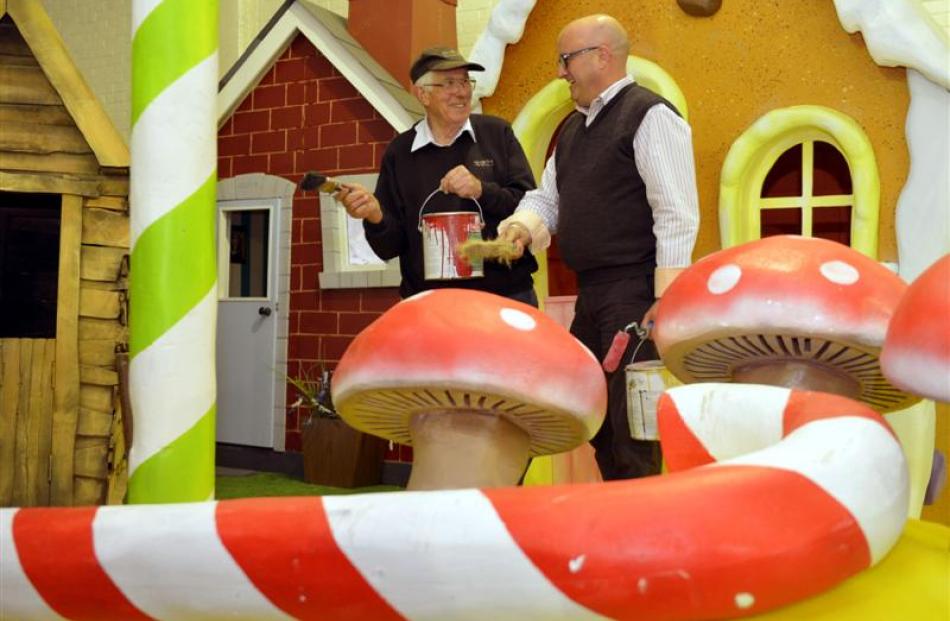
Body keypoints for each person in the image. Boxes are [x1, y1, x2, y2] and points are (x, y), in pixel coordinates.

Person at [499, 15, 700, 480]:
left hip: (634, 295)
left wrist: (664, 299)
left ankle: (644, 537)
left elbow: (677, 211)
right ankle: (616, 527)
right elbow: (546, 198)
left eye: (566, 60)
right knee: (592, 417)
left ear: (602, 57)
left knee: (632, 429)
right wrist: (521, 227)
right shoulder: (571, 131)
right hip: (593, 298)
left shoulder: (650, 115)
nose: (560, 72)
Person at [336, 47, 539, 306]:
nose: (462, 91)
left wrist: (481, 190)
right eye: (449, 83)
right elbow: (390, 247)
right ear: (423, 94)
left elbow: (530, 207)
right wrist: (374, 215)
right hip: (430, 306)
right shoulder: (400, 153)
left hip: (506, 298)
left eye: (465, 81)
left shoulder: (497, 133)